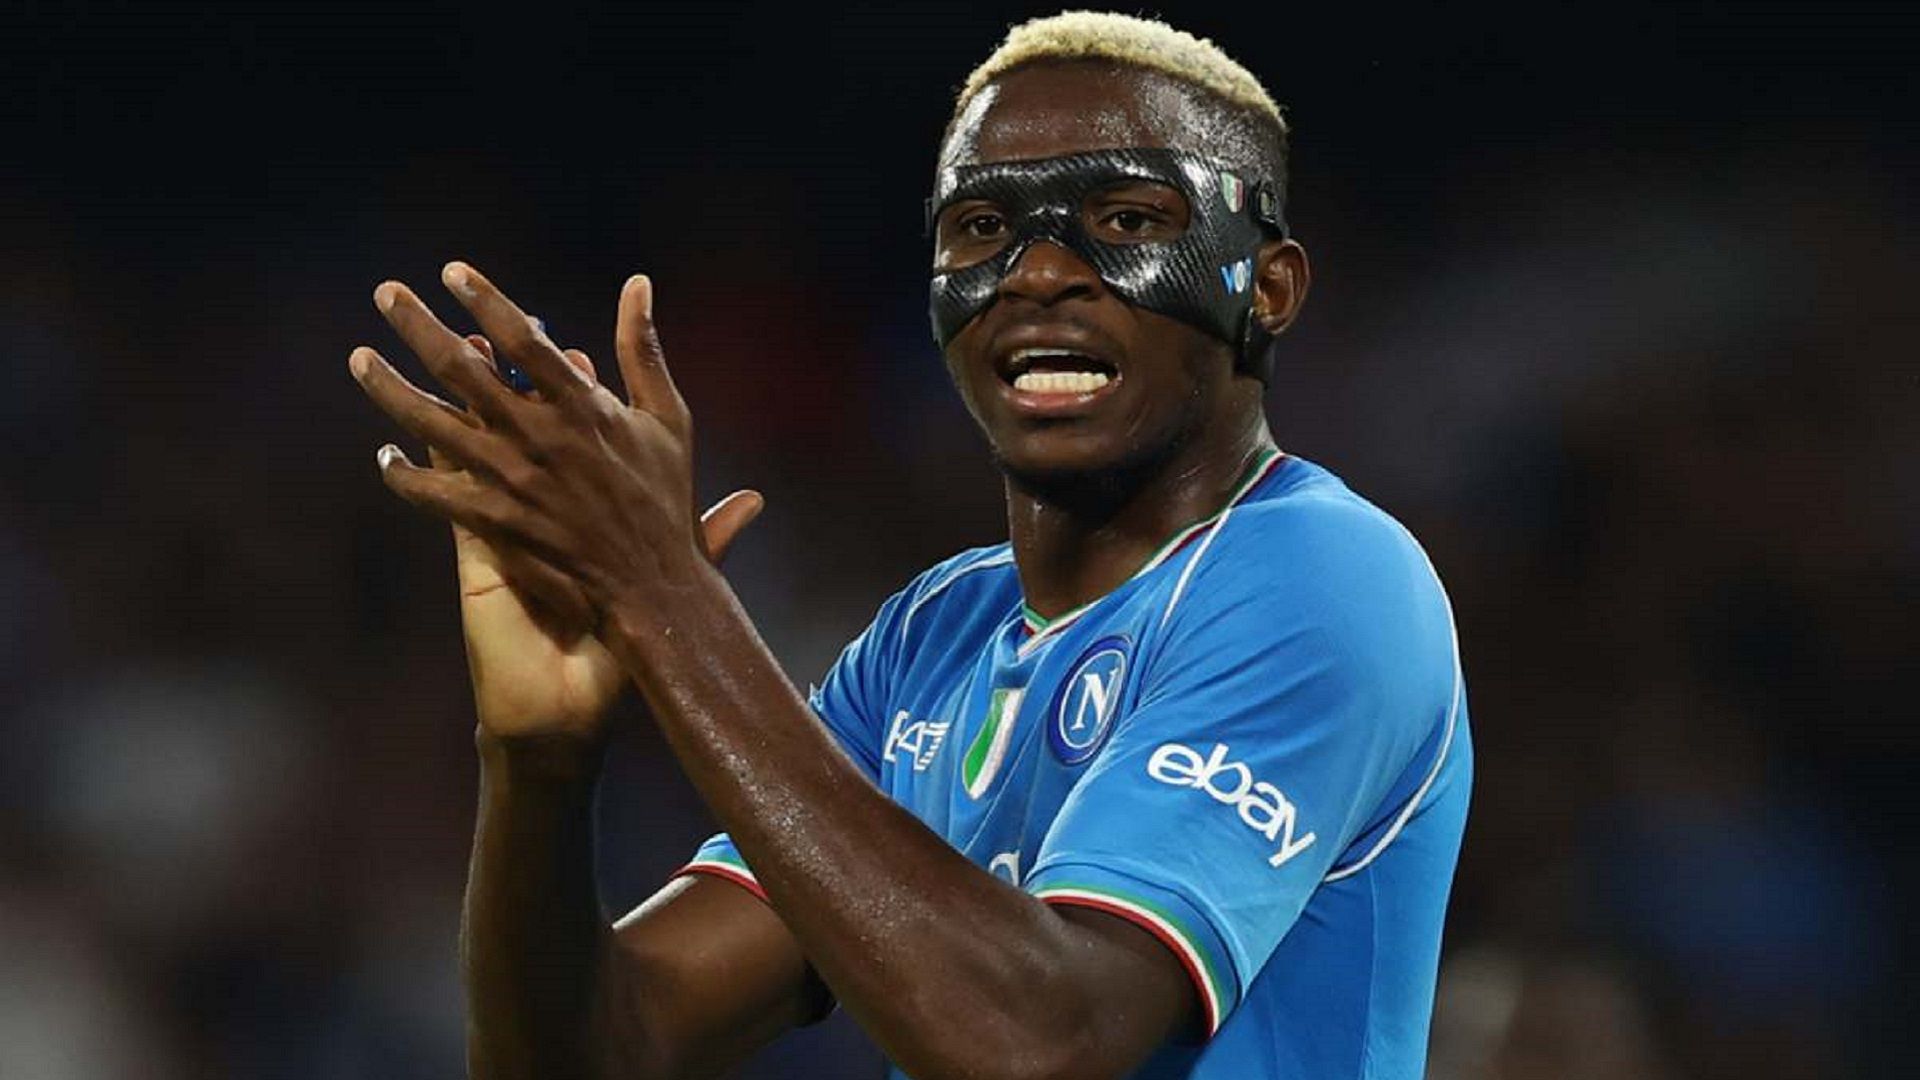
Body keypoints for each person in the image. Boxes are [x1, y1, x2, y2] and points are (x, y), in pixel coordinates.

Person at [348, 11, 1471, 1079]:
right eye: (981, 227)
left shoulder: (1327, 577)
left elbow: (1035, 1047)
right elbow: (600, 1054)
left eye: (1127, 221)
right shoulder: (929, 639)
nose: (1037, 272)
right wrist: (537, 761)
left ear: (1266, 290)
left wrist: (663, 595)